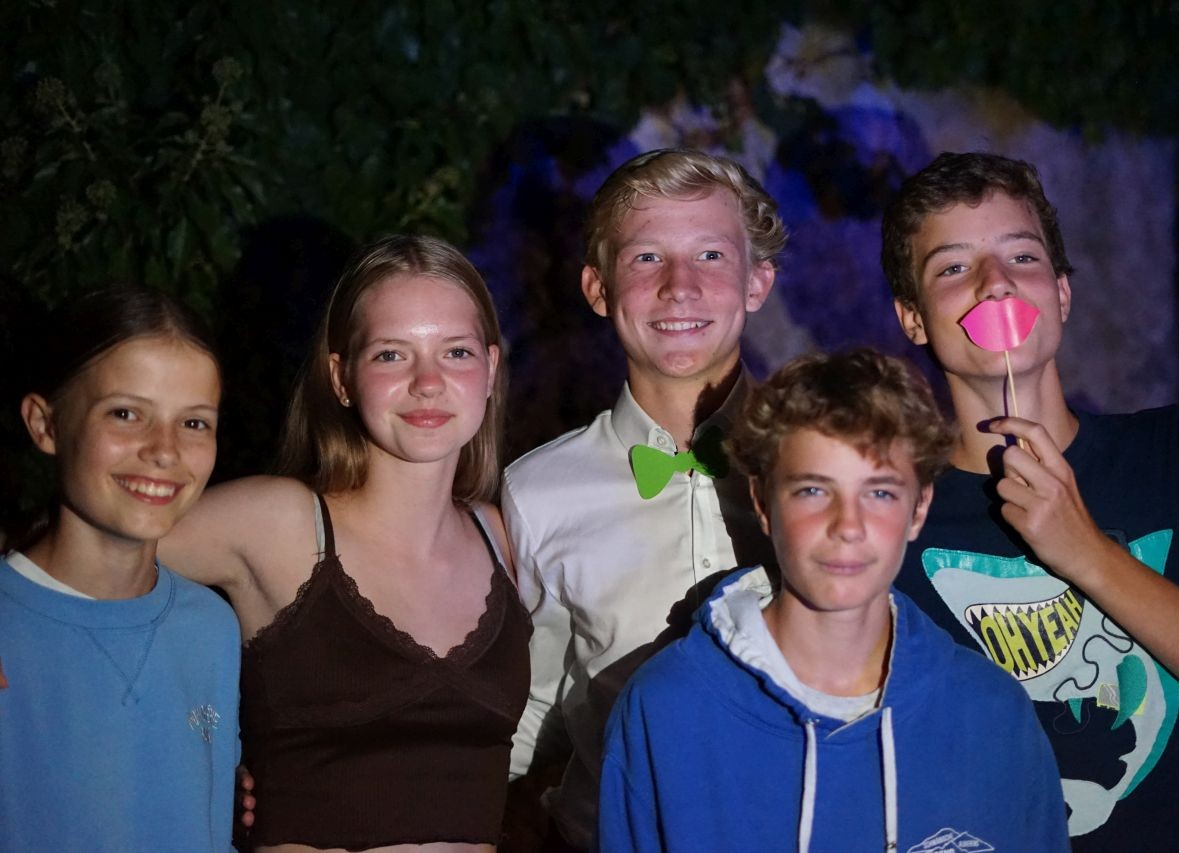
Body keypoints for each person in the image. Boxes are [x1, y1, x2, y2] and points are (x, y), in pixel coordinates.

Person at [882, 151, 1179, 849]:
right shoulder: (892, 517)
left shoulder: (1167, 452)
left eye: (1022, 257)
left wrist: (1087, 554)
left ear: (1061, 294)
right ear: (913, 318)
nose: (995, 283)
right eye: (953, 267)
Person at [597, 348, 1069, 852]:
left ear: (919, 508)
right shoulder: (666, 709)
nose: (848, 526)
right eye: (813, 491)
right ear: (762, 503)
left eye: (880, 493)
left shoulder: (992, 712)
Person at [159, 235, 530, 852]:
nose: (428, 382)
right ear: (341, 377)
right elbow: (73, 560)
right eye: (391, 354)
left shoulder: (507, 537)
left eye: (456, 352)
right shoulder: (277, 524)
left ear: (491, 368)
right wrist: (194, 755)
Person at [502, 148, 784, 849]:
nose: (679, 287)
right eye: (647, 257)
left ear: (758, 281)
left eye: (711, 255)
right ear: (598, 289)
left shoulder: (829, 463)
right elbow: (530, 708)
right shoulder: (537, 491)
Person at [0, 288, 239, 851]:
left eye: (194, 423)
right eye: (125, 414)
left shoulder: (210, 627)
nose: (164, 450)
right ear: (46, 424)